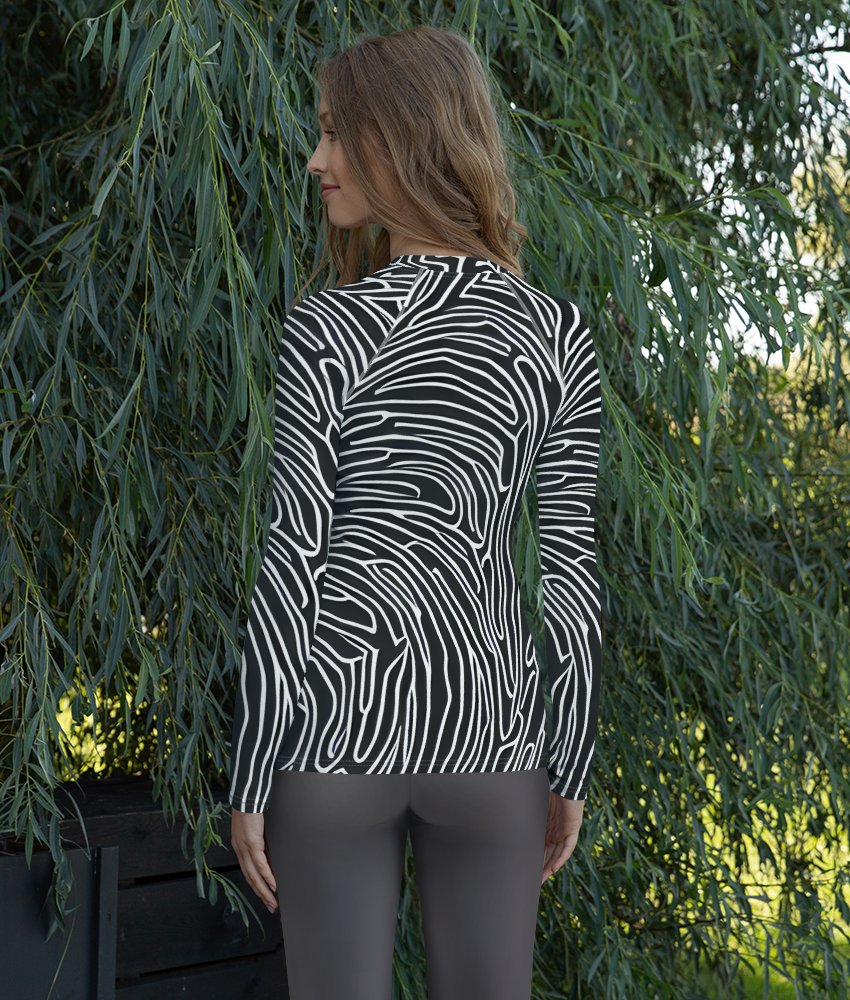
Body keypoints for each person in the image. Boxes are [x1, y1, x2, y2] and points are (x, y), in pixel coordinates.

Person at [228, 24, 603, 1000]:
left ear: (398, 138)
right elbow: (570, 577)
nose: (315, 161)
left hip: (336, 736)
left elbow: (293, 562)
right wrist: (569, 761)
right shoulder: (557, 335)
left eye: (334, 134)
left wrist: (252, 771)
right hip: (492, 740)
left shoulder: (329, 327)